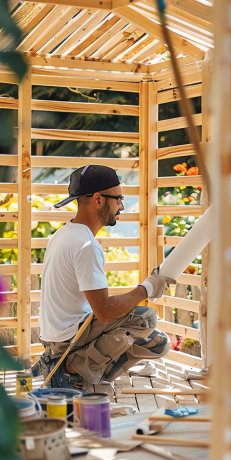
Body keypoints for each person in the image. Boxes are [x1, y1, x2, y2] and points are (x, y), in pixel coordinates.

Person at [38, 164, 174, 389]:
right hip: (68, 342)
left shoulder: (63, 234)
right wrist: (147, 288)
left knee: (158, 343)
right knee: (146, 318)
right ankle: (70, 371)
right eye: (118, 199)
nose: (121, 206)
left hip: (58, 339)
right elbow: (105, 311)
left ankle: (95, 377)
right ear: (99, 200)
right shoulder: (85, 245)